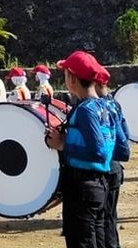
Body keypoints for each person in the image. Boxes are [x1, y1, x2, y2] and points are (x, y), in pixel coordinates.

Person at [44, 51, 117, 248]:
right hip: (100, 184)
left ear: (73, 78)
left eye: (66, 73)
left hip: (83, 186)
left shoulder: (86, 110)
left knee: (82, 242)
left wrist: (63, 144)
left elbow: (98, 151)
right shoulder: (106, 106)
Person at [100, 82, 131, 248]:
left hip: (105, 169)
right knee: (110, 216)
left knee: (104, 219)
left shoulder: (92, 108)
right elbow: (125, 136)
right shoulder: (114, 105)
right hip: (114, 167)